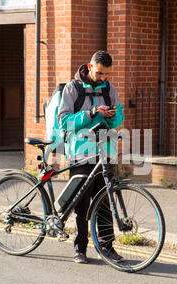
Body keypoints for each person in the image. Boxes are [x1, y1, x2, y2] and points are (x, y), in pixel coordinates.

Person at [57, 51, 124, 264]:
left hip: (105, 153)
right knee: (81, 204)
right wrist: (92, 113)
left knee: (105, 202)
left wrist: (112, 116)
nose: (103, 77)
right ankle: (80, 248)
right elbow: (64, 122)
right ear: (90, 66)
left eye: (106, 74)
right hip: (81, 153)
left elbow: (119, 118)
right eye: (100, 72)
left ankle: (107, 248)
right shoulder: (72, 88)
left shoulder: (109, 89)